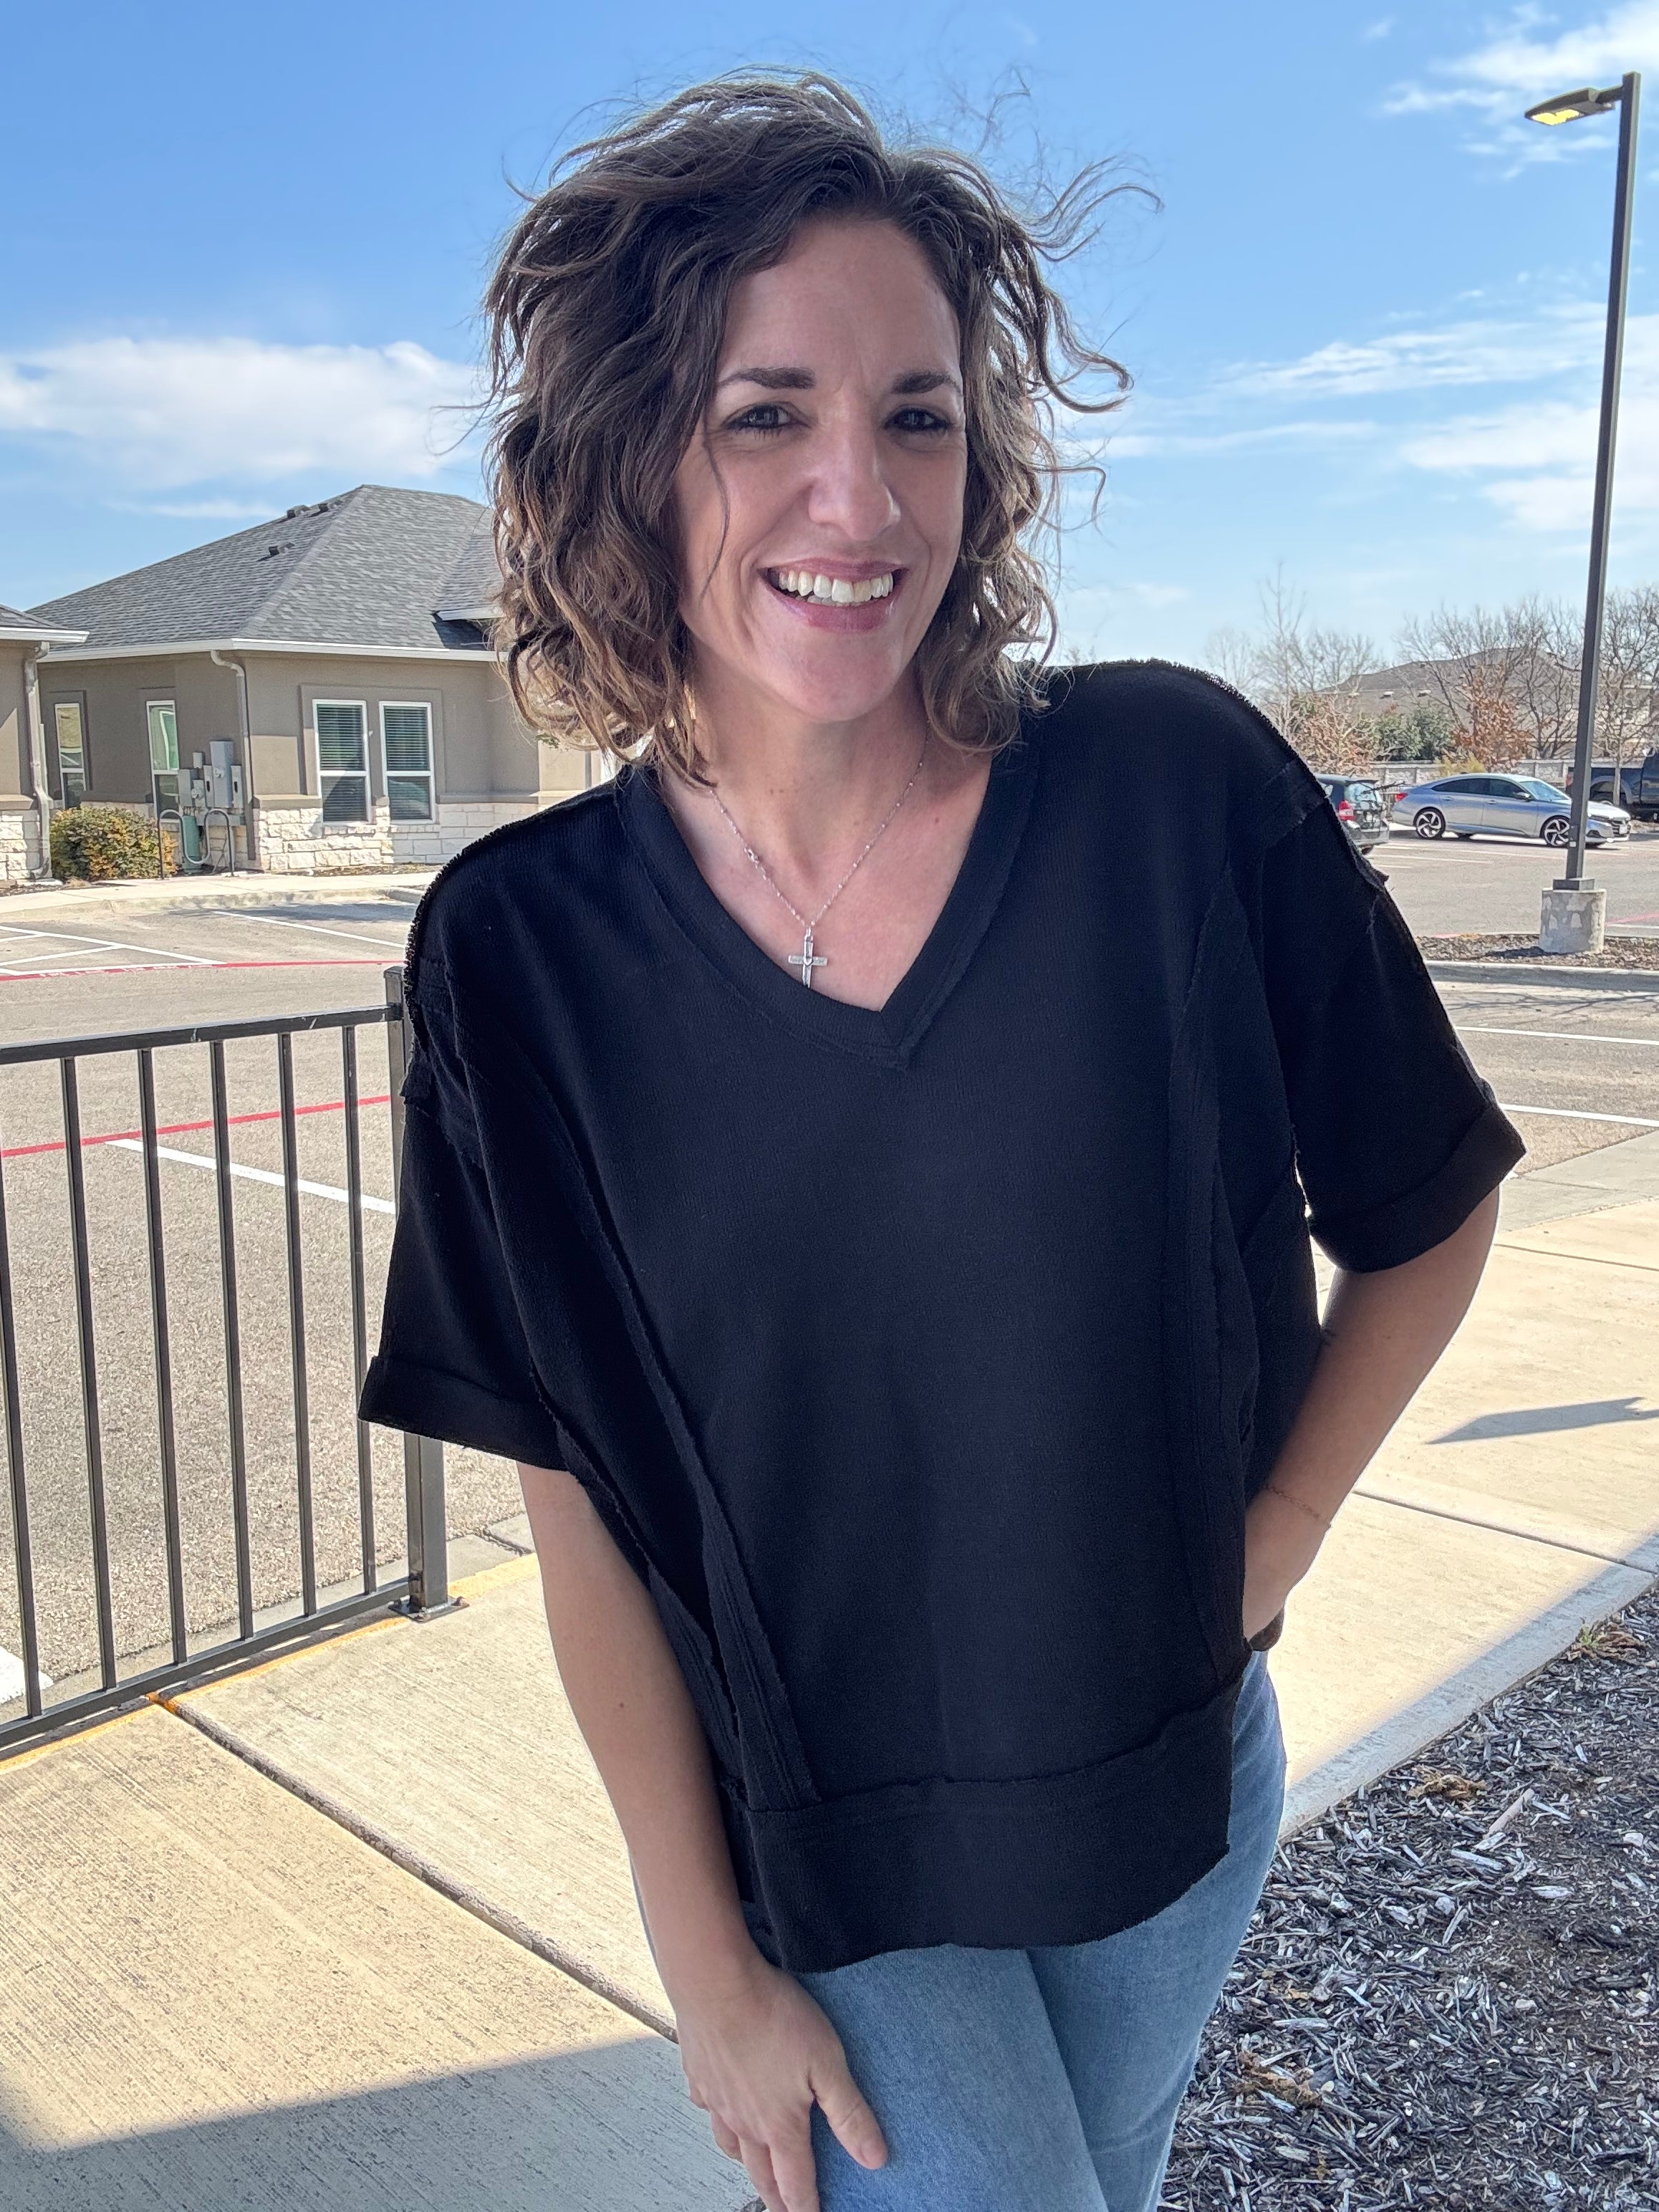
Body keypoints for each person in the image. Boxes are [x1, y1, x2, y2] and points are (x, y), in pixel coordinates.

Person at [360, 74, 1523, 2212]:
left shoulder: (1171, 793)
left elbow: (1428, 1210)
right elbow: (578, 1496)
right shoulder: (518, 956)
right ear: (627, 463)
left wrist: (1264, 1546)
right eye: (764, 414)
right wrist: (703, 1964)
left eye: (916, 415)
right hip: (820, 1852)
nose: (859, 493)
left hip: (1173, 1791)